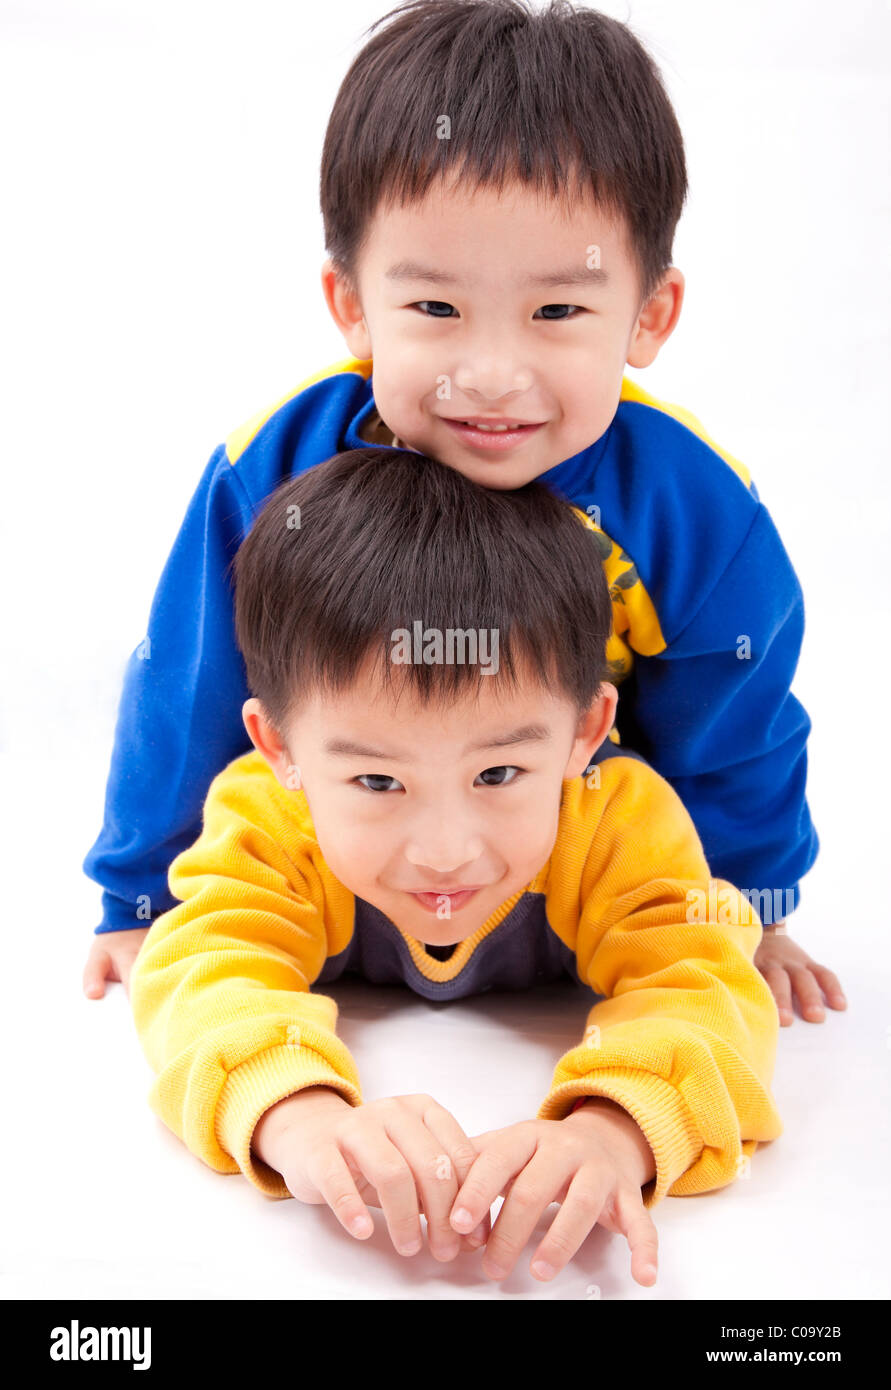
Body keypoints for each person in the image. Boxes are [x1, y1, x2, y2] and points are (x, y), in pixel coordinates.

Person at [84, 0, 845, 1027]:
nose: (492, 375)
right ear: (351, 304)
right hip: (343, 834)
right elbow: (193, 674)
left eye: (559, 312)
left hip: (569, 846)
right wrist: (138, 890)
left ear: (649, 315)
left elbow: (736, 719)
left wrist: (743, 905)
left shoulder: (690, 508)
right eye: (435, 310)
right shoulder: (276, 471)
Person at [129, 446, 783, 1287]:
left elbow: (706, 979)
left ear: (584, 732)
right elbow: (201, 964)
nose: (445, 849)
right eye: (375, 780)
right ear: (280, 748)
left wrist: (615, 1125)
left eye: (498, 775)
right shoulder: (269, 813)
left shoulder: (617, 818)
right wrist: (291, 1108)